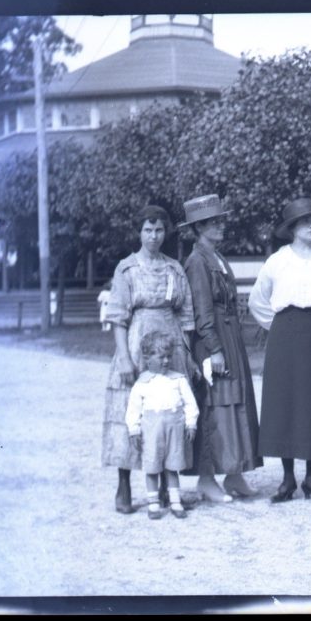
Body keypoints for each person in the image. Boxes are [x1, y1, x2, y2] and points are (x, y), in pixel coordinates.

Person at [103, 205, 195, 515]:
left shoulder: (174, 269)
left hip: (170, 344)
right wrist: (125, 358)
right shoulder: (127, 269)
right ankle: (125, 482)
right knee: (131, 410)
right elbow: (117, 317)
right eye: (147, 230)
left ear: (166, 232)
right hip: (136, 339)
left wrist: (188, 354)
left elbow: (186, 315)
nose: (153, 236)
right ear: (139, 232)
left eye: (158, 230)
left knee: (170, 412)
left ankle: (170, 486)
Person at [248, 198, 311, 504]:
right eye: (305, 221)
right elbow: (257, 300)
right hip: (285, 335)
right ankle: (287, 479)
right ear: (292, 228)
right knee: (285, 404)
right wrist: (280, 326)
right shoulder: (277, 261)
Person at [180, 195, 261, 503]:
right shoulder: (196, 261)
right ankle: (206, 478)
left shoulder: (217, 256)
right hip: (212, 340)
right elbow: (201, 310)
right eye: (214, 222)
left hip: (231, 338)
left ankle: (235, 472)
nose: (221, 226)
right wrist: (213, 348)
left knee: (237, 402)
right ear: (199, 227)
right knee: (214, 406)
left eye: (221, 220)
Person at [125, 331, 199, 520]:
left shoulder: (178, 379)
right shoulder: (142, 383)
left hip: (174, 427)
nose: (166, 361)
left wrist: (191, 424)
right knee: (152, 466)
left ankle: (175, 501)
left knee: (172, 466)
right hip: (151, 430)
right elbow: (133, 410)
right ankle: (153, 504)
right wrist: (134, 430)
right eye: (161, 357)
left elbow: (190, 404)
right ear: (147, 358)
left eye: (168, 357)